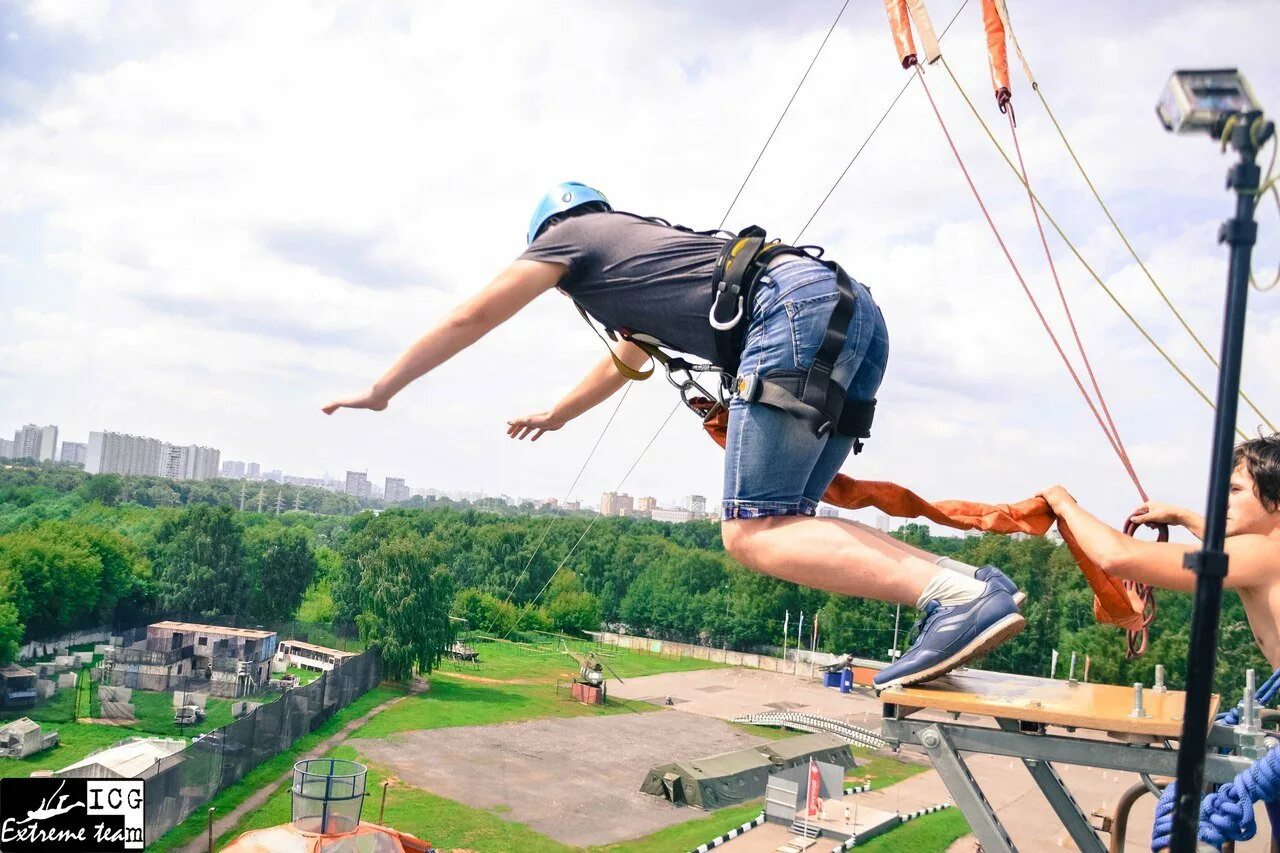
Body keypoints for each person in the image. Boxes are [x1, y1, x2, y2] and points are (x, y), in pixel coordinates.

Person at [323, 181, 1025, 689]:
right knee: (788, 523)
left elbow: (472, 315)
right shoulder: (638, 256)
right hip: (852, 311)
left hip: (788, 311)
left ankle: (954, 599)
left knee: (751, 532)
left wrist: (384, 389)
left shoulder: (568, 239)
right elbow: (623, 361)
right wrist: (557, 415)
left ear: (550, 234)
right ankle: (971, 586)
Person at [1040, 433, 1280, 666]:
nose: (1224, 501)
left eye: (1235, 490)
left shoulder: (1260, 552)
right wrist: (1181, 516)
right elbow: (1221, 541)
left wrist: (1064, 505)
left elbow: (1117, 556)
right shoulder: (1266, 550)